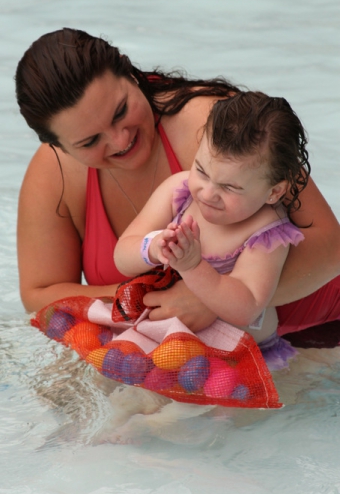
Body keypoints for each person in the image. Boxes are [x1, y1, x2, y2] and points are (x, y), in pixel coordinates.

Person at [15, 28, 340, 339]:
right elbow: (39, 295)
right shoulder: (54, 173)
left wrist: (209, 298)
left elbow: (333, 248)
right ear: (59, 146)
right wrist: (142, 297)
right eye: (89, 141)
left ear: (131, 75)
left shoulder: (220, 130)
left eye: (120, 111)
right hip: (189, 357)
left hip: (321, 330)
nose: (119, 140)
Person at [114, 92, 310, 367]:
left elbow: (245, 307)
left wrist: (193, 266)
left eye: (229, 187)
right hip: (170, 346)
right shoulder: (179, 193)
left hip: (240, 360)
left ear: (273, 192)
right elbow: (122, 256)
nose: (207, 193)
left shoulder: (267, 232)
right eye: (202, 171)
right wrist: (155, 247)